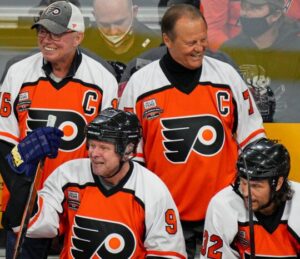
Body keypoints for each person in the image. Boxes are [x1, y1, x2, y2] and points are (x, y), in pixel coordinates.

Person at [118, 4, 265, 258]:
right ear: (167, 40)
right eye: (190, 42)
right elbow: (131, 157)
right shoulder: (140, 85)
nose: (199, 48)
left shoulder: (227, 76)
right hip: (165, 212)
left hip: (224, 210)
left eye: (203, 40)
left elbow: (252, 138)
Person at [0, 1, 118, 258]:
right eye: (42, 31)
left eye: (56, 33)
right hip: (29, 201)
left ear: (78, 36)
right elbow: (3, 141)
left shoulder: (102, 79)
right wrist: (20, 169)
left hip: (82, 202)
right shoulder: (18, 72)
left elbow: (110, 147)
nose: (47, 39)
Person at [4, 108, 187, 259]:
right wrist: (20, 177)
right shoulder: (69, 174)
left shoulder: (152, 189)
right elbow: (32, 225)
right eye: (92, 145)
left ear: (128, 150)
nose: (94, 153)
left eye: (104, 147)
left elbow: (167, 254)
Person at [200, 138, 300, 258]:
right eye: (243, 182)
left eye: (256, 186)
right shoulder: (223, 204)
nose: (246, 193)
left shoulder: (297, 204)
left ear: (278, 183)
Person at [219, 0, 300, 122]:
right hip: (244, 133)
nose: (246, 13)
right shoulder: (229, 50)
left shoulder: (295, 50)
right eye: (244, 7)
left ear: (275, 15)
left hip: (290, 131)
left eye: (254, 8)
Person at [82, 0, 162, 66]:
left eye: (119, 23)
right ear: (94, 16)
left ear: (134, 12)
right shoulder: (81, 45)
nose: (113, 32)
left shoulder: (156, 44)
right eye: (105, 24)